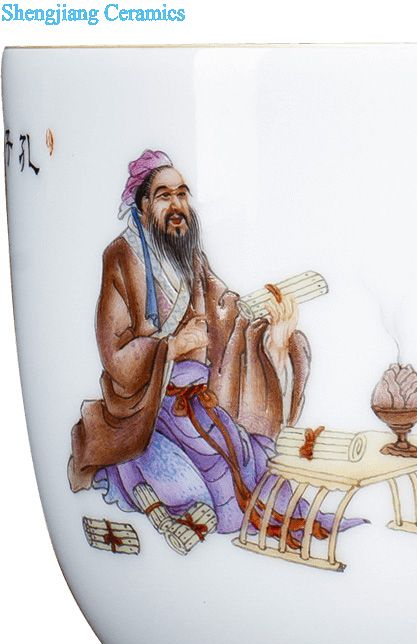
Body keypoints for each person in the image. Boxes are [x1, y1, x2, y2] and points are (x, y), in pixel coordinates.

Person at [68, 149, 362, 554]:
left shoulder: (189, 257)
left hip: (198, 403)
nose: (177, 205)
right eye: (165, 195)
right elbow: (114, 352)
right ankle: (179, 512)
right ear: (143, 205)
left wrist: (273, 338)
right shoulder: (121, 257)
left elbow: (228, 313)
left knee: (248, 460)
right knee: (195, 481)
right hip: (146, 407)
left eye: (182, 194)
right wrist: (172, 346)